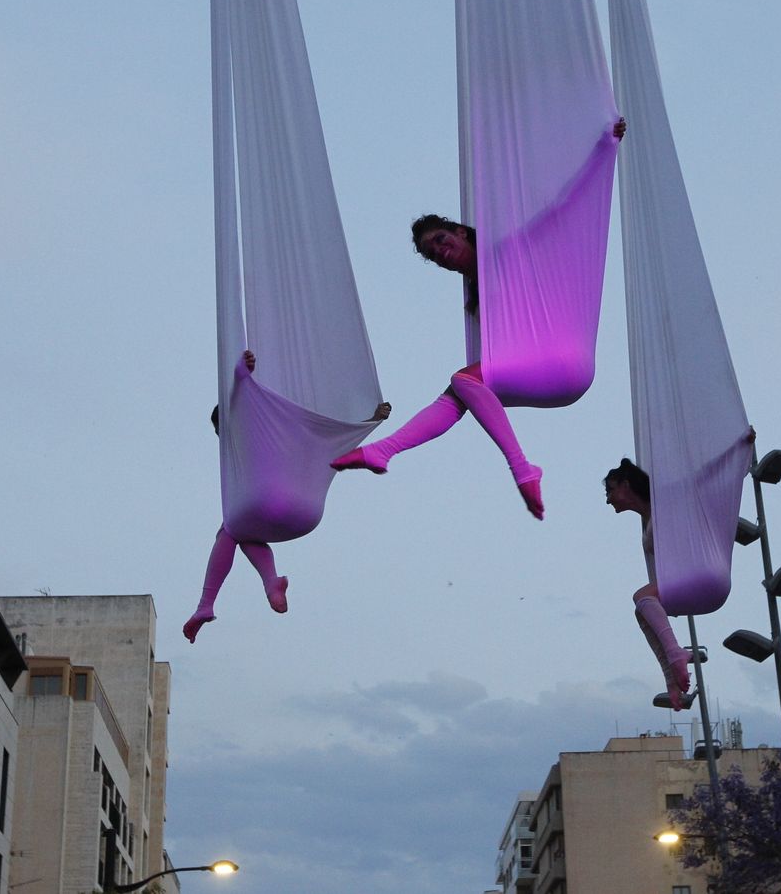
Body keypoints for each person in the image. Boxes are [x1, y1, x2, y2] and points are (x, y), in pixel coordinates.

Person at [331, 118, 629, 520]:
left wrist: (605, 151)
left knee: (465, 380)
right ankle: (382, 451)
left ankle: (523, 468)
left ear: (461, 232)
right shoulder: (475, 298)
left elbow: (563, 208)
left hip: (564, 361)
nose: (440, 252)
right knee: (460, 390)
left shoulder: (509, 251)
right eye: (432, 254)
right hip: (542, 371)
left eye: (441, 240)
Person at [185, 350, 390, 640]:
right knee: (244, 532)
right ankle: (271, 583)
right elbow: (331, 437)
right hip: (307, 515)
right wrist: (371, 419)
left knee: (230, 529)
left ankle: (207, 604)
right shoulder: (291, 434)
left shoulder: (244, 445)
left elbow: (243, 400)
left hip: (265, 504)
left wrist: (241, 375)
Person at [603, 457, 695, 710]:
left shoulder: (664, 507)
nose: (608, 499)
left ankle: (676, 654)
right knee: (641, 609)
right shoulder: (647, 518)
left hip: (694, 573)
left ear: (626, 484)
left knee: (641, 597)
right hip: (676, 580)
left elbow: (698, 476)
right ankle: (671, 679)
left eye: (610, 490)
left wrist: (739, 448)